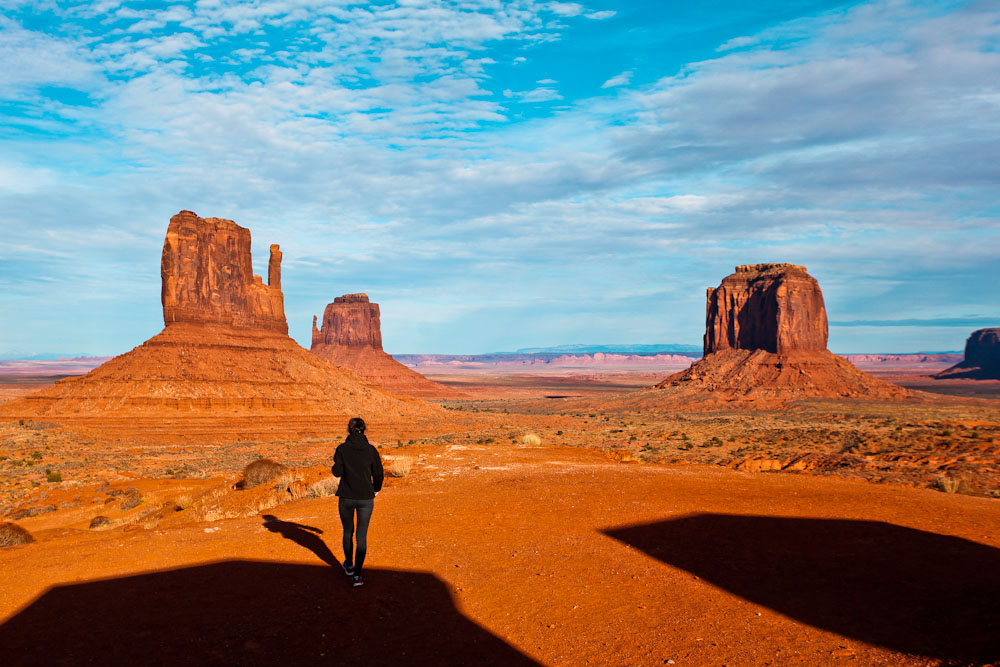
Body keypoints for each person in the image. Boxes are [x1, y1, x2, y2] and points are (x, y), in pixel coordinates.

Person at [332, 417, 383, 587]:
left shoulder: (342, 449)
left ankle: (349, 566)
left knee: (348, 532)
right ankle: (357, 576)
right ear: (364, 429)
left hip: (346, 497)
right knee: (362, 536)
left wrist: (335, 466)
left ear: (349, 429)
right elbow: (378, 473)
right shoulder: (371, 450)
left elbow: (337, 473)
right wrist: (376, 489)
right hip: (366, 498)